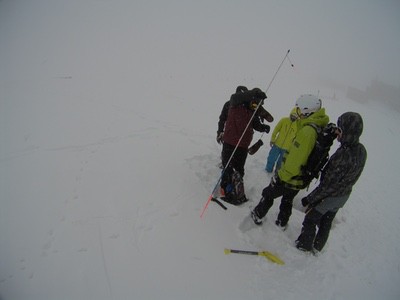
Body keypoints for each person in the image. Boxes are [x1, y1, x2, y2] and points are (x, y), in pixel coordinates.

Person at [251, 94, 329, 228]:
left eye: (299, 109)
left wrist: (281, 176)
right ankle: (282, 222)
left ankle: (258, 214)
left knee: (268, 193)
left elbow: (295, 160)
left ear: (307, 110)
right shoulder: (317, 126)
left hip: (291, 176)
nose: (297, 112)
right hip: (302, 176)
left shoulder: (307, 132)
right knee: (288, 199)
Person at [295, 112, 367, 253]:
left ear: (348, 132)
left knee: (310, 219)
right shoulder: (359, 149)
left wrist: (310, 198)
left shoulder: (345, 156)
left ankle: (304, 245)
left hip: (331, 196)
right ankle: (318, 246)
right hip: (343, 195)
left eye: (340, 130)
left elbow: (328, 185)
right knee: (326, 221)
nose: (337, 133)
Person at [265, 108, 298, 173]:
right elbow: (276, 129)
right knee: (271, 158)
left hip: (287, 148)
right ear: (290, 114)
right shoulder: (284, 120)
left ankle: (277, 173)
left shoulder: (297, 126)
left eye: (295, 116)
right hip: (277, 145)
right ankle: (268, 170)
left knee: (281, 162)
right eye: (293, 115)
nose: (293, 117)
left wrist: (293, 148)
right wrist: (272, 139)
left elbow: (296, 138)